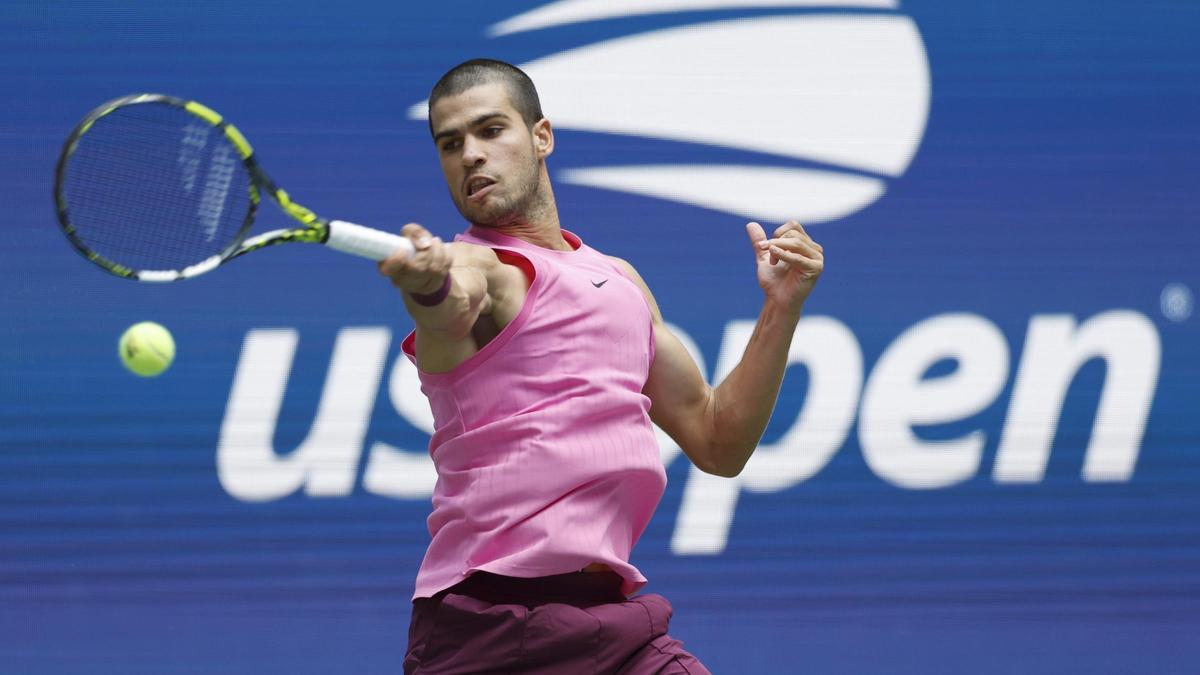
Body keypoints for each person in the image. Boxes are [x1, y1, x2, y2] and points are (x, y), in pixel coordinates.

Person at [379, 59, 824, 674]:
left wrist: (781, 307)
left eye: (490, 131)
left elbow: (719, 439)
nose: (470, 155)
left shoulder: (618, 281)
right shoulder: (480, 268)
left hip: (610, 620)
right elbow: (452, 302)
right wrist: (426, 288)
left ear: (542, 136)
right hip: (488, 630)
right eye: (450, 144)